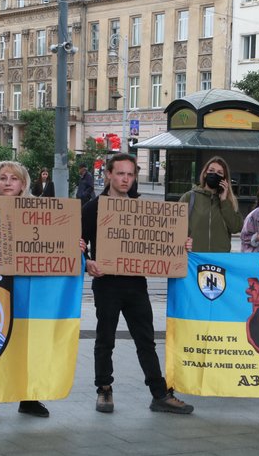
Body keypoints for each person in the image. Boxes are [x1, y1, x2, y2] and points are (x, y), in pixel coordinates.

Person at [82, 153, 193, 415]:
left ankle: (159, 394)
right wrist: (87, 262)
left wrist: (182, 244)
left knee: (146, 340)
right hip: (106, 283)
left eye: (130, 174)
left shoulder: (142, 209)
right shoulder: (93, 208)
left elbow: (162, 241)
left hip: (136, 283)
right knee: (105, 339)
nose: (125, 179)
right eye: (120, 173)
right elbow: (78, 243)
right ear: (109, 174)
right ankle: (104, 389)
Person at [0, 161, 50, 423]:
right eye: (2, 178)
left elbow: (53, 243)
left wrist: (76, 247)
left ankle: (28, 398)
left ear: (23, 184)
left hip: (26, 288)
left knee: (25, 343)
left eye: (13, 178)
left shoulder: (38, 212)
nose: (7, 182)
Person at [179, 156, 243, 252]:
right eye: (211, 170)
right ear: (205, 173)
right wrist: (183, 242)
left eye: (219, 173)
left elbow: (236, 228)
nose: (214, 174)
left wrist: (224, 201)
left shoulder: (229, 201)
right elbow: (176, 228)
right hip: (195, 256)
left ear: (224, 179)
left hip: (219, 258)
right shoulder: (189, 197)